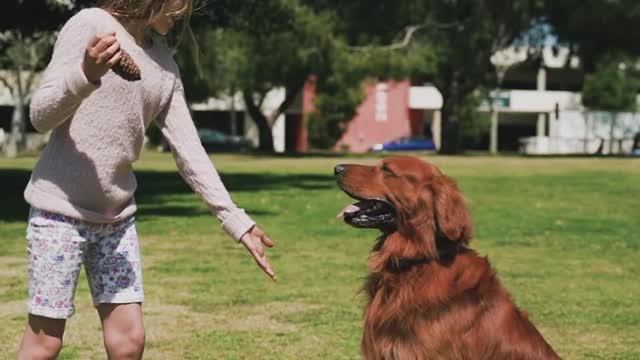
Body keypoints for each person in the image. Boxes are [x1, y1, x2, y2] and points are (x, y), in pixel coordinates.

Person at [16, 1, 276, 359]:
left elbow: (190, 152)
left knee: (129, 341)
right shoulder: (90, 24)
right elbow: (40, 116)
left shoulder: (164, 67)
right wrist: (86, 74)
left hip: (116, 221)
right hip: (58, 214)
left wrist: (235, 219)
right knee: (45, 343)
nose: (185, 11)